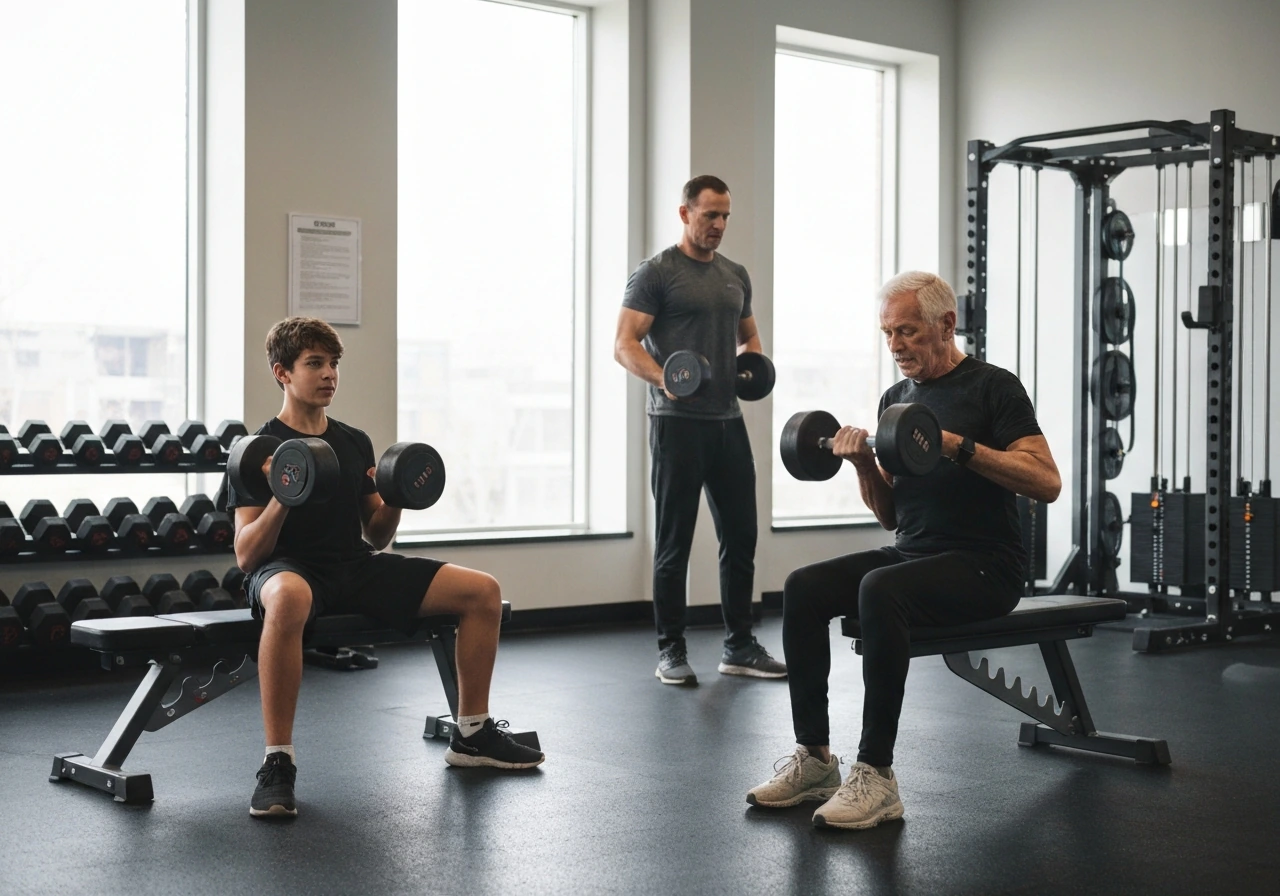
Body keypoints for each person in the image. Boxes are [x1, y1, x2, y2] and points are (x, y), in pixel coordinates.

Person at [746, 271, 1061, 830]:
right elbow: (893, 516)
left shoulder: (994, 387)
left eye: (908, 332)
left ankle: (877, 774)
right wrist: (864, 462)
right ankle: (815, 759)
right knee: (803, 587)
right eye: (887, 333)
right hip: (915, 552)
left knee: (879, 588)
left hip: (987, 565)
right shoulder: (897, 398)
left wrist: (956, 446)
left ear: (946, 324)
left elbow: (1046, 482)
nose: (895, 346)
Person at [228, 317, 544, 819]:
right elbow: (247, 555)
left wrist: (396, 497)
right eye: (314, 363)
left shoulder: (353, 442)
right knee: (289, 597)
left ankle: (473, 734)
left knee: (482, 591)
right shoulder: (258, 451)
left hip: (353, 564)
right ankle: (278, 763)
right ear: (281, 373)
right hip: (288, 569)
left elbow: (376, 534)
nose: (329, 374)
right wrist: (284, 494)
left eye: (333, 364)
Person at [614, 174, 786, 686]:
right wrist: (663, 379)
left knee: (742, 537)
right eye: (710, 214)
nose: (719, 225)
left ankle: (738, 646)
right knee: (675, 543)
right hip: (676, 426)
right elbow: (625, 344)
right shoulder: (657, 273)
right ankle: (671, 649)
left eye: (726, 215)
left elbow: (749, 338)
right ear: (685, 213)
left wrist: (751, 365)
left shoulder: (735, 275)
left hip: (728, 423)